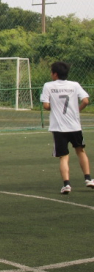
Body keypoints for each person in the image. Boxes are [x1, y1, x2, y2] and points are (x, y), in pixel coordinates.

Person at [40, 61, 93, 194]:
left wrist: (56, 107)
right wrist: (77, 109)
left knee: (64, 156)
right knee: (80, 151)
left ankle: (67, 185)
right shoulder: (74, 85)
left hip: (59, 128)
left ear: (55, 74)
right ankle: (88, 179)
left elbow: (46, 106)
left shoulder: (48, 86)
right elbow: (86, 100)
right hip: (74, 125)